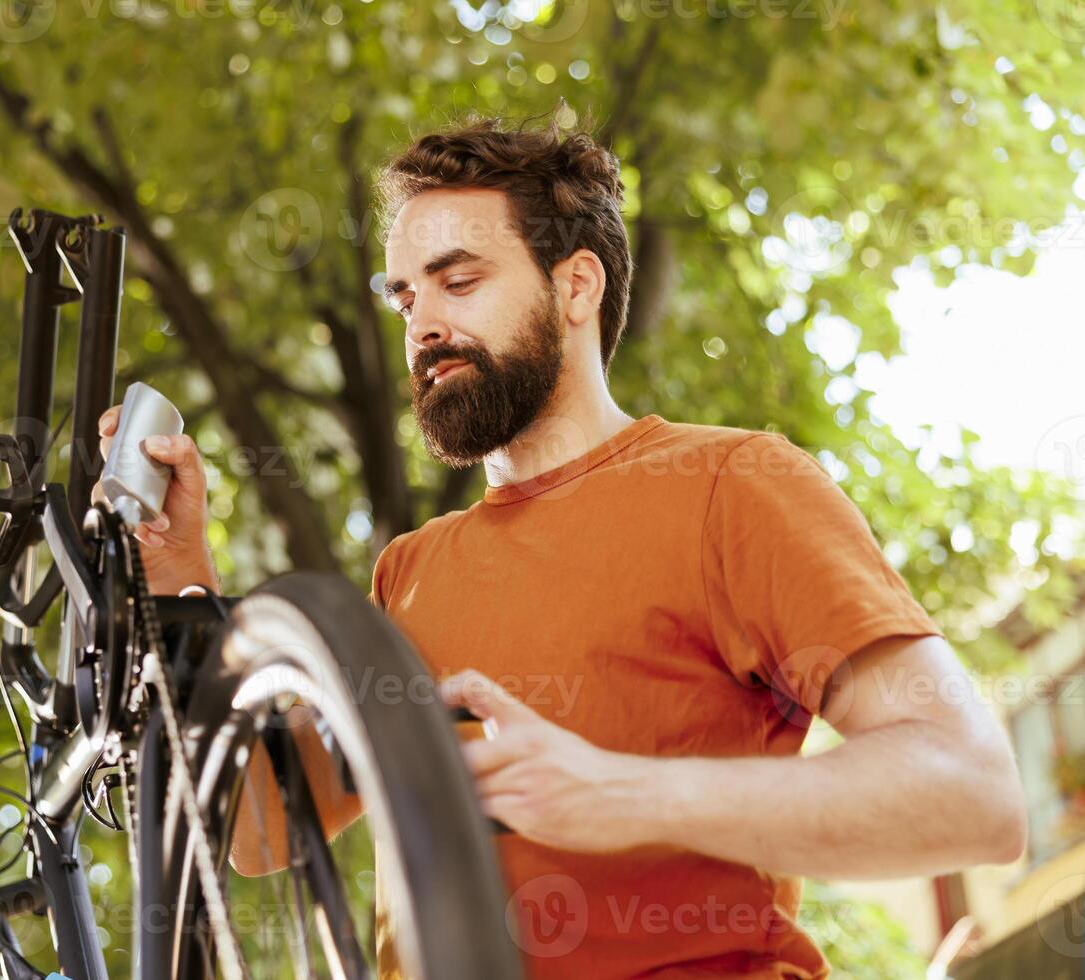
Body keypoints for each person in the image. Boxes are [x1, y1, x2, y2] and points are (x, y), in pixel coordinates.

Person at [95, 114, 1027, 979]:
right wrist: (183, 580)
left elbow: (972, 794)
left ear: (576, 285)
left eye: (460, 282)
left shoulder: (731, 484)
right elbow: (258, 832)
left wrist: (620, 794)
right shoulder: (409, 573)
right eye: (406, 296)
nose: (422, 324)